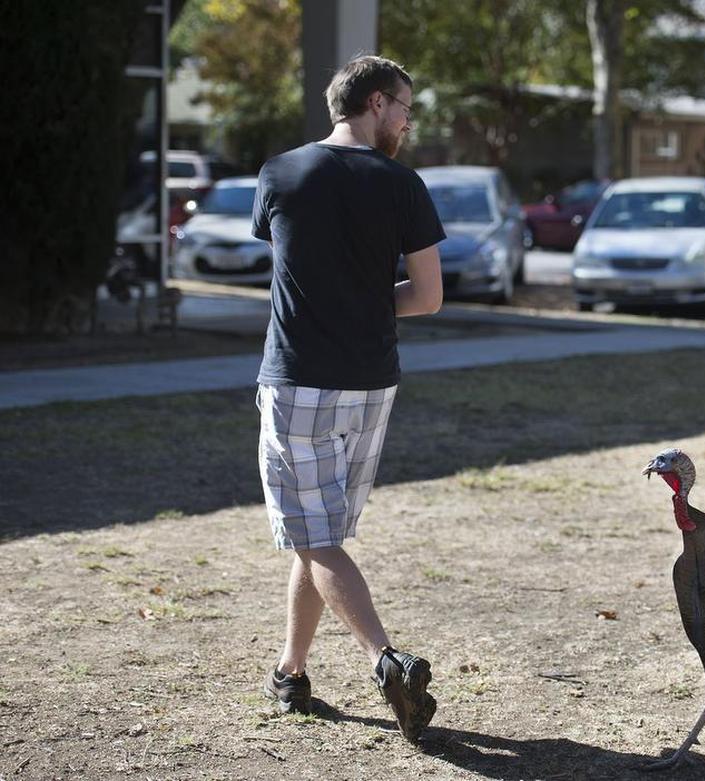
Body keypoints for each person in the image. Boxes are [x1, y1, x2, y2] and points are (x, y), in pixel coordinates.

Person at [251, 55, 445, 744]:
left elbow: (284, 263)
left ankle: (384, 658)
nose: (406, 122)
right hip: (371, 384)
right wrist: (367, 304)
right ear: (373, 102)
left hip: (299, 379)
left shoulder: (280, 173)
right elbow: (425, 297)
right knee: (318, 535)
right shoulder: (401, 184)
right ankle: (290, 670)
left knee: (316, 534)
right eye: (403, 109)